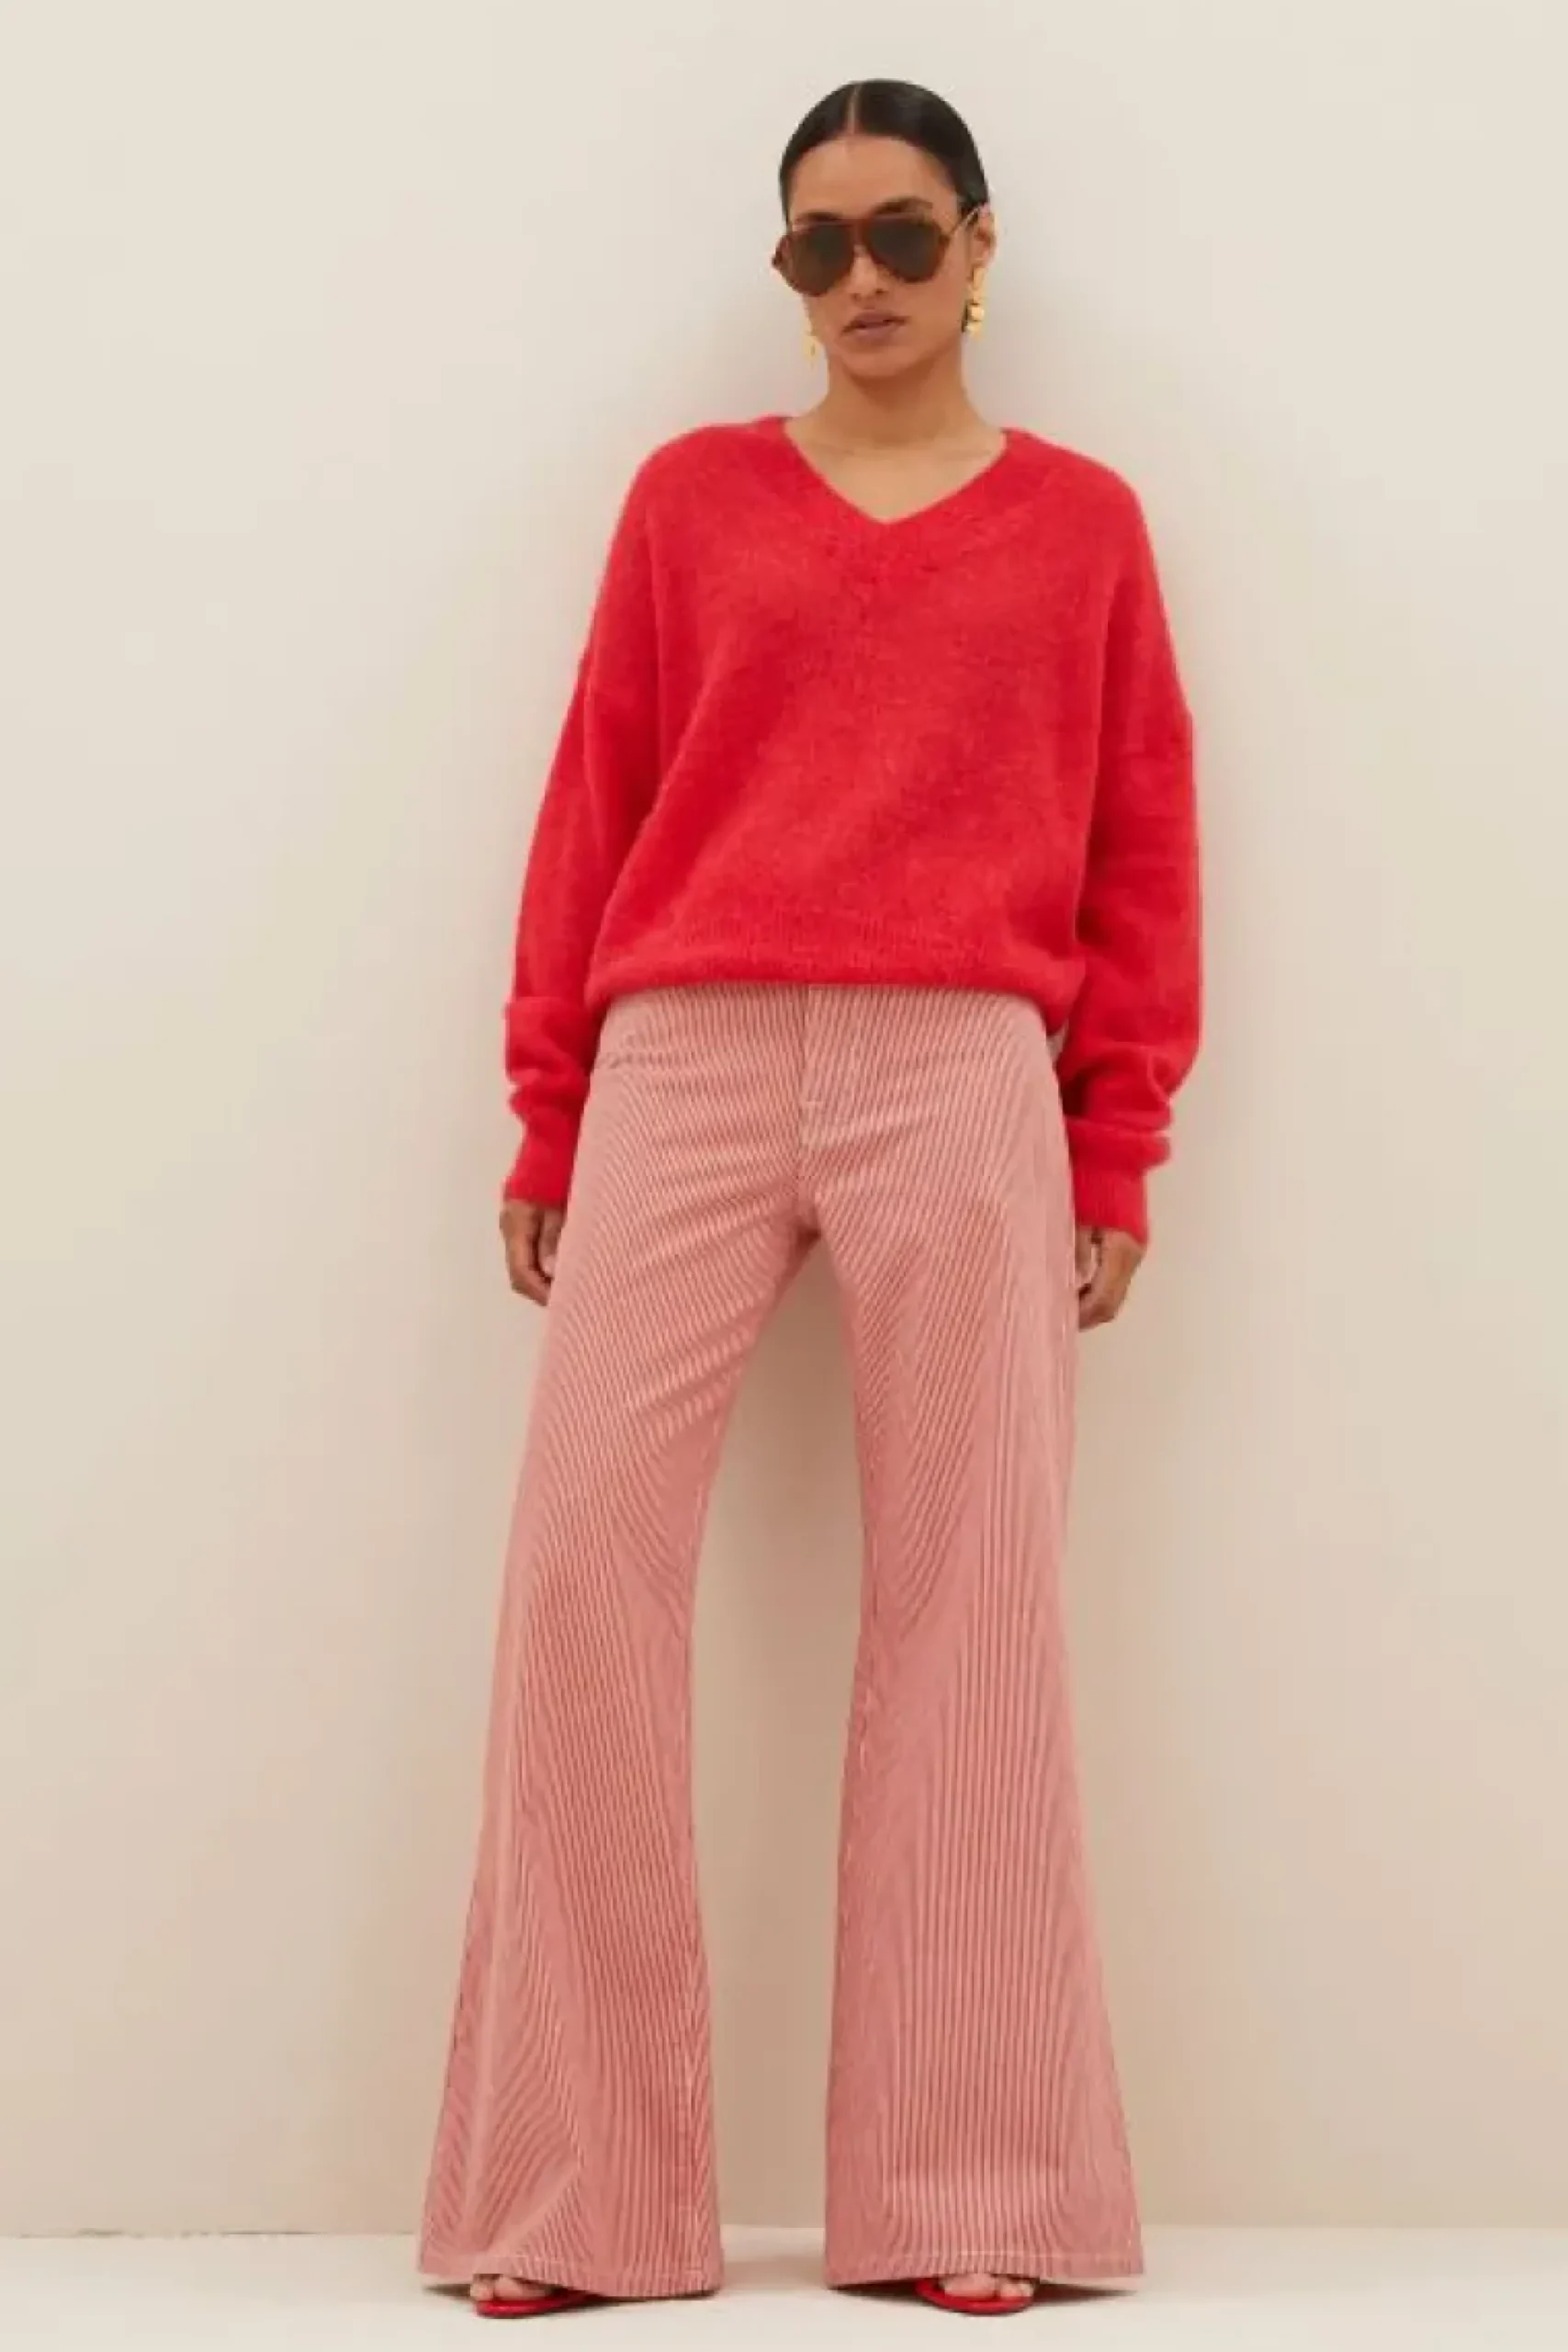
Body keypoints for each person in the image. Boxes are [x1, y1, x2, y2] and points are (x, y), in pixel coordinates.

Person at [419, 76, 1200, 2323]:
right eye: (814, 246)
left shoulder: (1082, 525)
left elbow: (1139, 844)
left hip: (961, 1064)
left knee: (975, 1602)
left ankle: (973, 2188)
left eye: (900, 236)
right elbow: (598, 797)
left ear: (979, 246)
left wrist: (1115, 1134)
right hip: (681, 1052)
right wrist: (551, 1111)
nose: (859, 280)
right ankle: (573, 2196)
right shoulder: (688, 499)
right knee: (580, 1569)